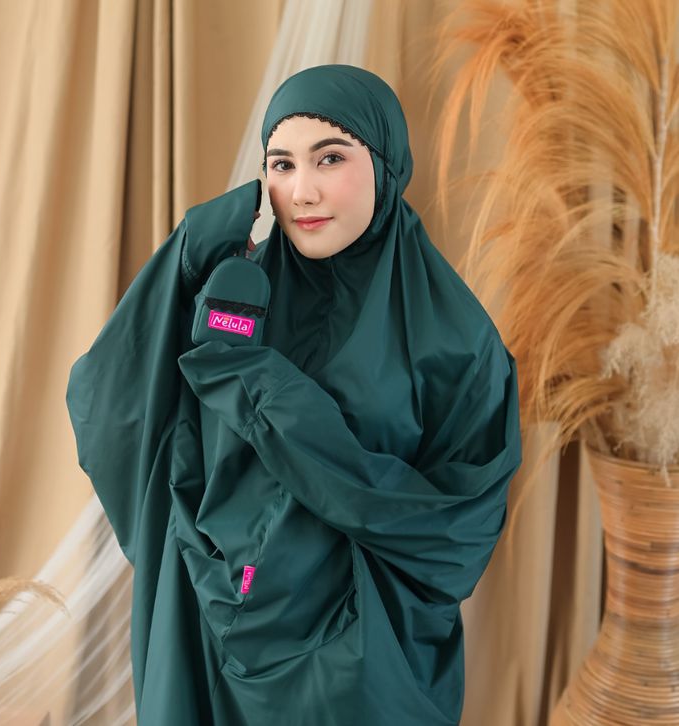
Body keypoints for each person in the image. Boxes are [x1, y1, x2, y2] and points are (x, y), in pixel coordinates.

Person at [66, 64, 522, 726]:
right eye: (281, 165)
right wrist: (186, 253)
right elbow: (112, 406)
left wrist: (267, 395)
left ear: (387, 163)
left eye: (330, 158)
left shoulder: (455, 340)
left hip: (360, 663)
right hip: (209, 630)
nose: (302, 191)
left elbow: (459, 535)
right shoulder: (228, 297)